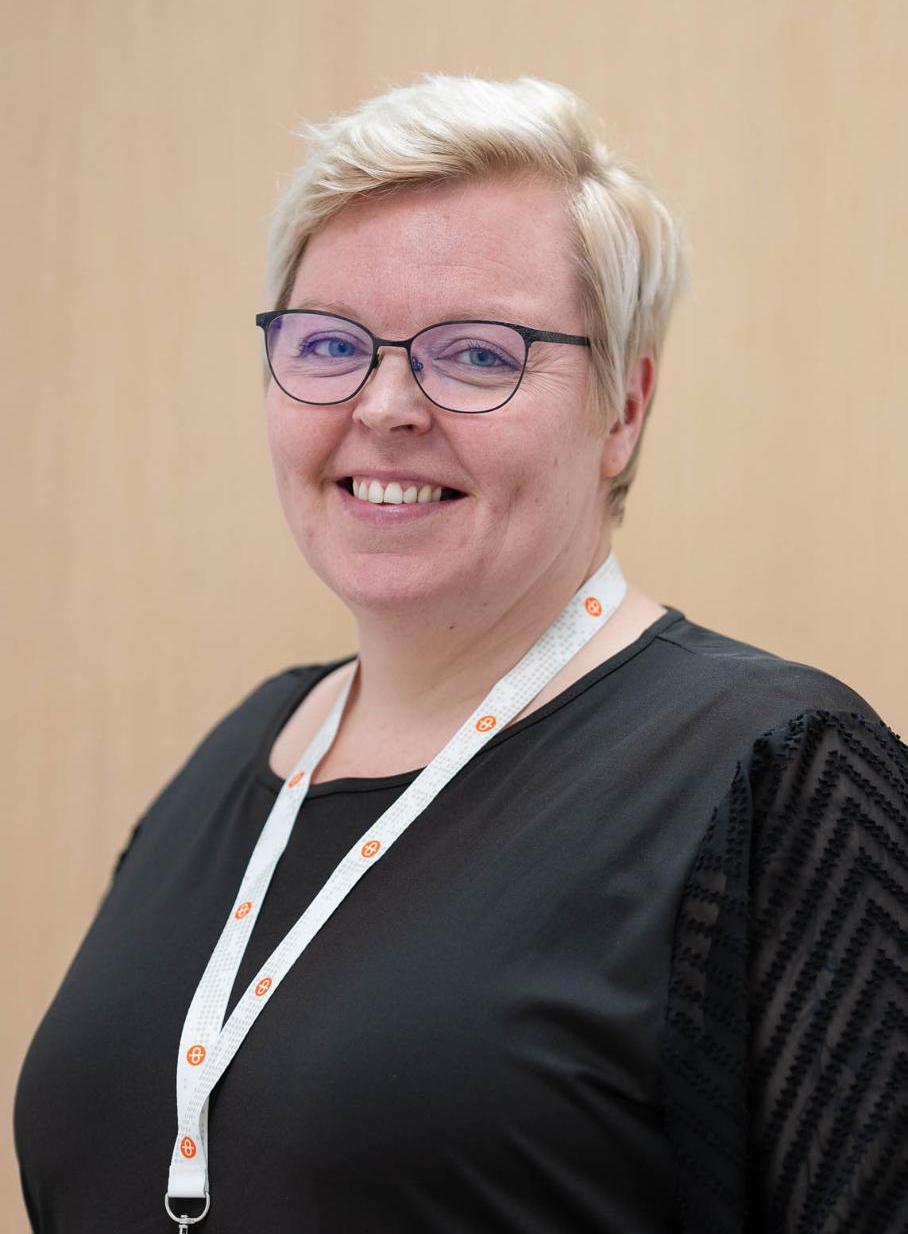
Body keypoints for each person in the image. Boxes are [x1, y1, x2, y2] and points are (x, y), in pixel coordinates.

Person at [14, 75, 908, 1234]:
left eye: (476, 354)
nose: (384, 404)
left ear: (622, 408)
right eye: (328, 343)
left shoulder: (777, 774)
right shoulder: (236, 755)